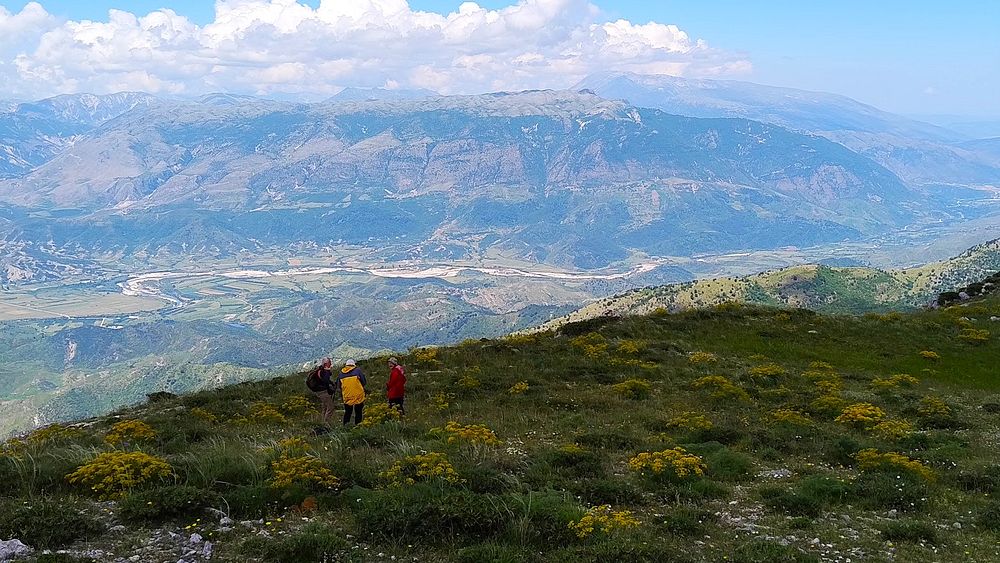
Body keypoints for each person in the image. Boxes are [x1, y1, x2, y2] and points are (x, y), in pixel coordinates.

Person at [334, 359, 367, 425]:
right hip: (358, 395)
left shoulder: (341, 373)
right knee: (358, 412)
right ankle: (358, 426)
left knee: (348, 412)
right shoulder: (358, 371)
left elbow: (339, 386)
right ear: (354, 364)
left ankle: (345, 426)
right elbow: (364, 382)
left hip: (347, 395)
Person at [306, 358, 335, 424]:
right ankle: (326, 424)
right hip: (322, 392)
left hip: (319, 391)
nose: (331, 364)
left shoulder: (319, 371)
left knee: (325, 407)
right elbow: (325, 381)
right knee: (330, 407)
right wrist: (328, 371)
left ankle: (322, 422)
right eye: (329, 363)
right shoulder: (323, 371)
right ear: (326, 364)